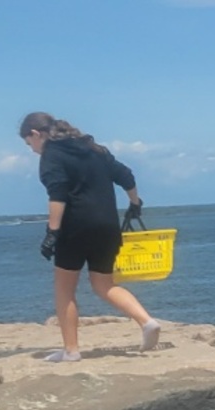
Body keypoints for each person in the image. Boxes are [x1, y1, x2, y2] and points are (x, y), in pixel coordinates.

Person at [18, 112, 161, 362]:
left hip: (75, 228)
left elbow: (58, 194)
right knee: (104, 285)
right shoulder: (94, 149)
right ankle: (147, 321)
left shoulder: (52, 155)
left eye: (30, 144)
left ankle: (71, 351)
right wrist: (135, 203)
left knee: (64, 289)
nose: (32, 150)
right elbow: (126, 176)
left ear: (36, 134)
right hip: (107, 226)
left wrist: (52, 233)